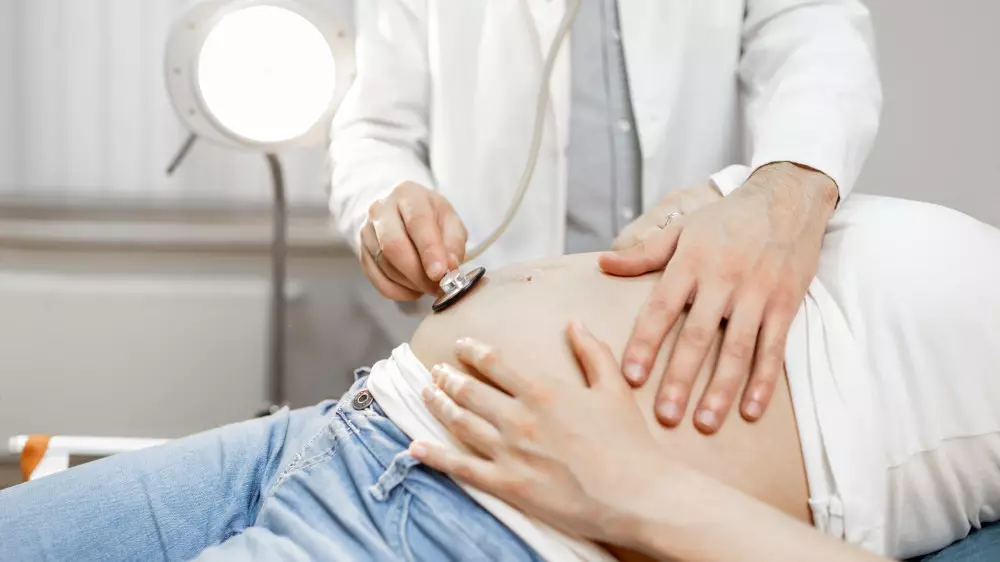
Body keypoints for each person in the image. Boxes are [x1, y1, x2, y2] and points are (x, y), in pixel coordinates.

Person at [1, 195, 997, 561]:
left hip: (479, 522)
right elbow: (684, 229)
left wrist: (629, 487)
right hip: (352, 421)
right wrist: (749, 188)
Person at [329, 1, 883, 433]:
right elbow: (375, 130)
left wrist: (789, 184)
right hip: (485, 353)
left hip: (678, 348)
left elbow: (816, 34)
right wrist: (388, 201)